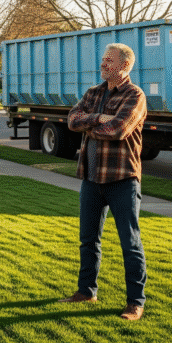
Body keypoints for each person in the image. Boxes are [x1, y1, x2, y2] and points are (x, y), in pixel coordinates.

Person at [60, 42, 148, 321]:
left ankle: (135, 302)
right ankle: (86, 291)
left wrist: (90, 125)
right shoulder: (93, 93)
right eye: (103, 59)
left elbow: (118, 129)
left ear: (124, 65)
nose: (102, 64)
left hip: (123, 179)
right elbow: (72, 121)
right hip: (91, 178)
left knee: (130, 243)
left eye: (108, 61)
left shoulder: (135, 95)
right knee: (88, 239)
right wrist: (97, 117)